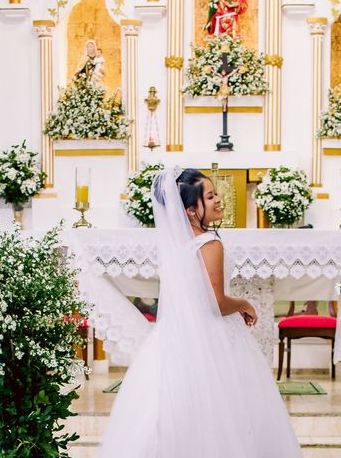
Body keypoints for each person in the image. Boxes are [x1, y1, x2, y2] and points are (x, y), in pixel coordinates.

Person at [99, 168, 301, 458]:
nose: (219, 200)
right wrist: (244, 304)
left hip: (177, 338)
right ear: (192, 211)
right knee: (228, 413)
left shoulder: (179, 245)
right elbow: (215, 304)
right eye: (210, 196)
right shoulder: (210, 245)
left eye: (215, 193)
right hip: (212, 339)